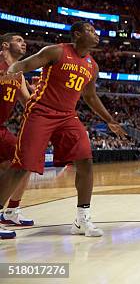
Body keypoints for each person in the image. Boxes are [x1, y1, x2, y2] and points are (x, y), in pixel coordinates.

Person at [0, 22, 127, 237]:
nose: (96, 35)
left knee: (85, 160)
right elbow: (27, 64)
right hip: (41, 111)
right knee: (21, 165)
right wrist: (11, 70)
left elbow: (90, 96)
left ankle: (81, 220)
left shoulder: (92, 65)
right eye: (91, 31)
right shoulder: (56, 51)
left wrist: (109, 120)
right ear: (77, 35)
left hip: (68, 116)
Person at [0, 33, 33, 239]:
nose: (24, 43)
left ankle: (11, 211)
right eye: (19, 40)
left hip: (1, 128)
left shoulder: (18, 74)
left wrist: (40, 94)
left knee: (25, 160)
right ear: (5, 45)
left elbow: (29, 104)